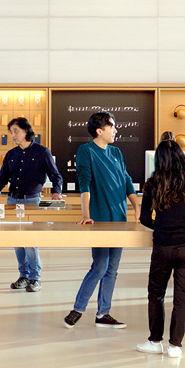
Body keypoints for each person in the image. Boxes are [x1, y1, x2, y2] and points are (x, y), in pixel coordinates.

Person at [64, 111, 139, 330]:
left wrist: (137, 206)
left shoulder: (116, 152)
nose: (115, 130)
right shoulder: (86, 151)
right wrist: (85, 215)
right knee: (100, 266)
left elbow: (126, 180)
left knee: (112, 269)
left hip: (120, 218)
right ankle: (77, 309)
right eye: (112, 126)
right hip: (99, 219)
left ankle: (103, 314)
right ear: (100, 130)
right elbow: (84, 183)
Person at [137, 138, 185, 358]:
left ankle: (155, 341)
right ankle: (175, 346)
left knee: (156, 294)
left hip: (163, 246)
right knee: (182, 296)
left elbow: (144, 219)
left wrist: (162, 226)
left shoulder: (153, 182)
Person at [0, 117, 63, 293]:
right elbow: (3, 176)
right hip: (13, 201)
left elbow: (55, 175)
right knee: (17, 241)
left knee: (30, 241)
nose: (12, 135)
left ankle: (35, 278)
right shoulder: (11, 154)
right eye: (11, 131)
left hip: (31, 201)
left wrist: (56, 192)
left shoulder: (42, 152)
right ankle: (24, 275)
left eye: (15, 131)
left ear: (26, 131)